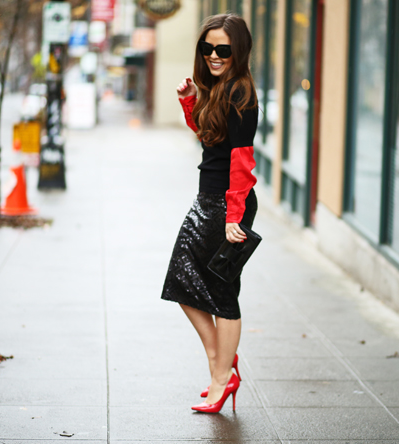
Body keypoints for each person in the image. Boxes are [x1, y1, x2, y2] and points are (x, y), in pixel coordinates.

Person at [161, 13, 258, 414]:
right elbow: (208, 136)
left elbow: (242, 160)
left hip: (227, 204)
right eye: (208, 48)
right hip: (210, 200)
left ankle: (221, 376)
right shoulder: (219, 88)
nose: (214, 56)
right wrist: (189, 100)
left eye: (223, 49)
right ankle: (222, 367)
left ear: (238, 51)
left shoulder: (241, 93)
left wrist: (234, 217)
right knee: (183, 282)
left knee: (220, 292)